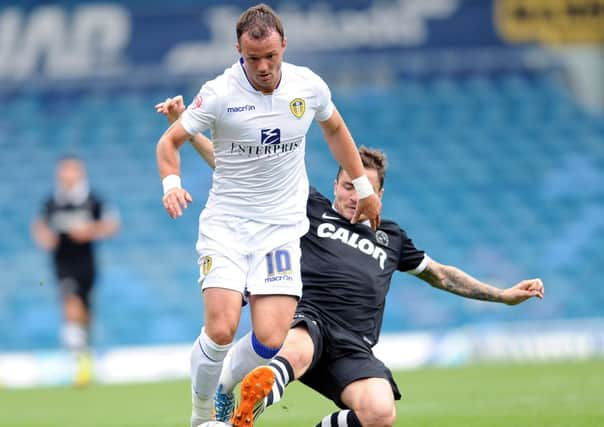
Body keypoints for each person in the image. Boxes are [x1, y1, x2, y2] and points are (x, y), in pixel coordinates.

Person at [156, 98, 544, 427]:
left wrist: (504, 295)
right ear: (336, 184)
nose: (354, 196)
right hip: (306, 320)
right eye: (347, 186)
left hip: (354, 346)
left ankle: (262, 393)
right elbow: (237, 170)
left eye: (365, 190)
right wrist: (185, 129)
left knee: (379, 412)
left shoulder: (391, 237)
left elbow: (442, 275)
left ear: (380, 194)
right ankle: (252, 399)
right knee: (298, 345)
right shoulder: (310, 208)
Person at [154, 4, 382, 426]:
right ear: (238, 50)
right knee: (222, 329)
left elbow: (334, 130)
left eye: (270, 56)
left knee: (271, 337)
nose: (262, 66)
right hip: (227, 227)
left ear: (284, 46)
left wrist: (363, 186)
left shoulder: (307, 86)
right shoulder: (220, 92)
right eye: (252, 57)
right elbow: (169, 144)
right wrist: (172, 186)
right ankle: (201, 416)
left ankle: (223, 384)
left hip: (279, 231)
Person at [31, 156, 120, 386]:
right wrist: (44, 237)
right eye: (64, 171)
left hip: (86, 263)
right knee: (71, 304)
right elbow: (39, 224)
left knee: (85, 313)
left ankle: (85, 353)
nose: (68, 175)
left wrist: (89, 231)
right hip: (63, 263)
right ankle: (79, 363)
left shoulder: (91, 199)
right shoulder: (53, 201)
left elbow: (112, 224)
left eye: (72, 171)